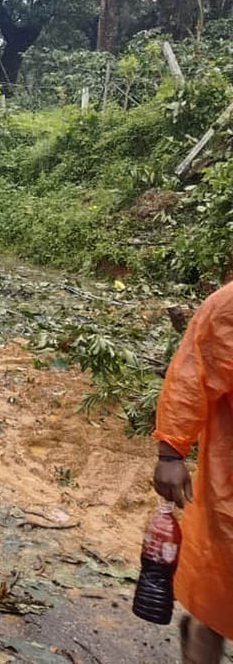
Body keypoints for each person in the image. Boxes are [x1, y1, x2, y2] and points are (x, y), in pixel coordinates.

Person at [152, 284, 233, 663]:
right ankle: (200, 639)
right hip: (229, 488)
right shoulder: (228, 307)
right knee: (219, 595)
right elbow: (192, 374)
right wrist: (170, 452)